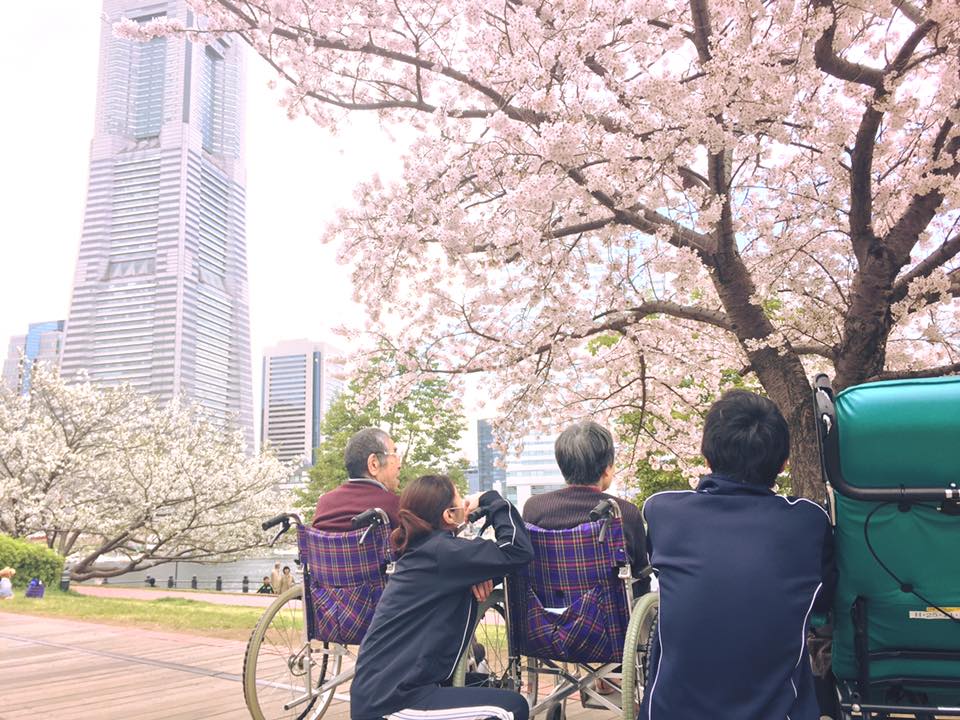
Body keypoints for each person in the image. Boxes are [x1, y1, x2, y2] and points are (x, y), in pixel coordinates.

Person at [640, 390, 835, 720]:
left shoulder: (663, 511)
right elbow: (825, 599)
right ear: (785, 462)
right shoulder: (808, 521)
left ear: (707, 457)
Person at [351, 475, 533, 720]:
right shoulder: (443, 552)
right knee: (510, 709)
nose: (465, 499)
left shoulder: (430, 552)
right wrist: (492, 499)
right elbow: (517, 550)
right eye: (459, 495)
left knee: (487, 685)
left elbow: (494, 561)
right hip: (394, 701)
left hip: (384, 691)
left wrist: (480, 574)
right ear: (449, 514)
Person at [522, 420, 651, 594]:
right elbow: (641, 572)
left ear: (562, 465)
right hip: (612, 618)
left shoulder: (535, 508)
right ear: (607, 468)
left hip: (546, 616)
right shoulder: (624, 512)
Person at [312, 428, 402, 531]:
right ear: (374, 464)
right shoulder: (394, 506)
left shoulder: (324, 503)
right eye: (394, 454)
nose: (399, 464)